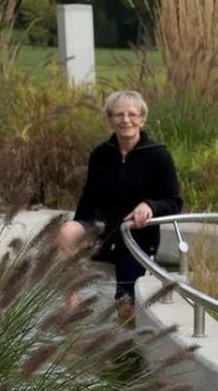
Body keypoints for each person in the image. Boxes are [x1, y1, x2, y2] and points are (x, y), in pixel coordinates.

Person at [58, 89, 182, 318]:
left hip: (136, 236)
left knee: (126, 310)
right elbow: (88, 198)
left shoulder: (158, 155)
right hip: (103, 230)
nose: (126, 120)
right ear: (110, 119)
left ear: (142, 119)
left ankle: (125, 350)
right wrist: (80, 232)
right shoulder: (100, 155)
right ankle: (73, 307)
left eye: (132, 114)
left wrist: (149, 206)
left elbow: (174, 202)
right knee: (66, 231)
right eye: (119, 115)